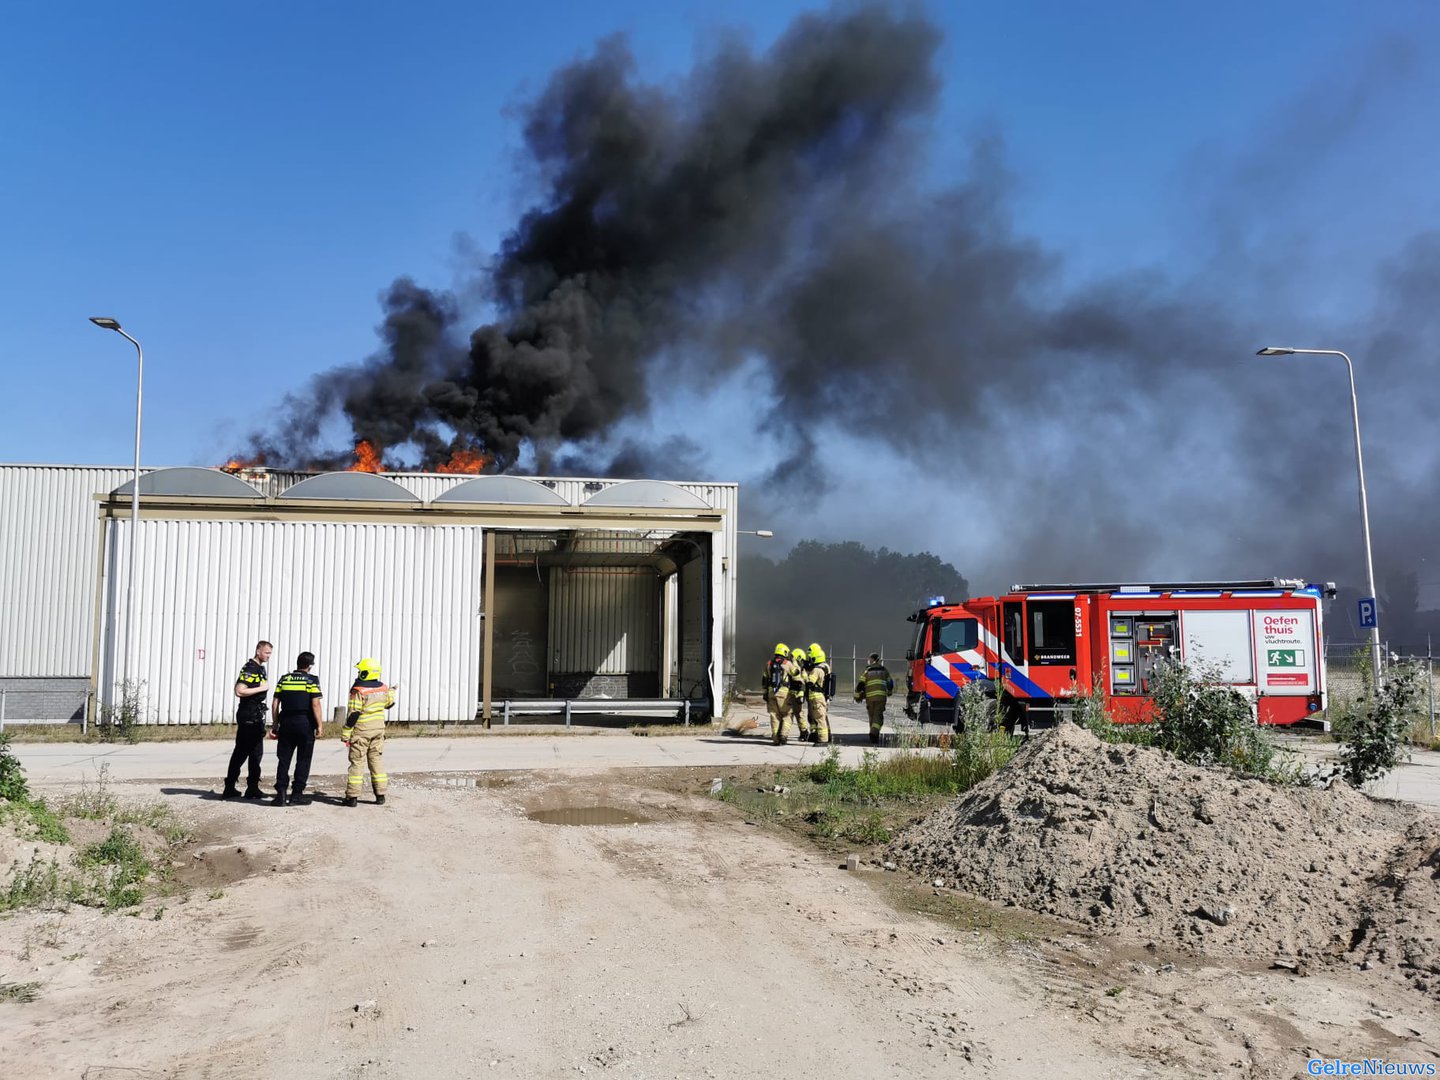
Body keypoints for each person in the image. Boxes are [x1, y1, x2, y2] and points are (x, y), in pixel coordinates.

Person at [270, 651, 323, 807]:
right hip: (305, 723)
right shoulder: (311, 680)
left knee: (284, 758)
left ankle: (280, 793)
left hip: (286, 722)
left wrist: (275, 724)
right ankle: (297, 795)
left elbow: (275, 703)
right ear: (310, 666)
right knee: (303, 759)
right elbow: (315, 704)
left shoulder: (284, 679)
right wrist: (319, 725)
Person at [342, 657, 395, 807]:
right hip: (378, 731)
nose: (358, 673)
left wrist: (346, 732)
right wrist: (391, 691)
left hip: (361, 732)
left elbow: (353, 713)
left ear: (366, 672)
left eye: (360, 671)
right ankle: (380, 795)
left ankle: (352, 797)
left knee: (357, 763)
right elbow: (389, 704)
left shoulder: (358, 690)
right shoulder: (383, 688)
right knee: (376, 761)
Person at [222, 641, 272, 799]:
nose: (268, 656)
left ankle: (252, 787)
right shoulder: (251, 668)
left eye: (270, 653)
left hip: (255, 714)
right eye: (266, 653)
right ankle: (230, 787)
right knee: (243, 751)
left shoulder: (259, 668)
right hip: (248, 714)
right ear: (258, 651)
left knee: (256, 752)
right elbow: (239, 691)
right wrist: (262, 688)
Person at [762, 644, 797, 746]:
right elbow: (796, 674)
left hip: (771, 693)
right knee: (788, 714)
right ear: (785, 653)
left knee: (774, 716)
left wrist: (765, 693)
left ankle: (775, 739)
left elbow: (764, 680)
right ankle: (783, 735)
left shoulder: (768, 664)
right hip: (784, 693)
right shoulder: (787, 663)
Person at [856, 653, 895, 745]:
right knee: (878, 715)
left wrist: (858, 695)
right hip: (881, 697)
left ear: (872, 659)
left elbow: (860, 685)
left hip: (870, 697)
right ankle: (874, 733)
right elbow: (890, 682)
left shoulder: (867, 670)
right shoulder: (883, 670)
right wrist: (889, 692)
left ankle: (873, 733)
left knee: (872, 715)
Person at [804, 643, 834, 746]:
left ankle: (823, 740)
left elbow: (809, 682)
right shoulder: (825, 667)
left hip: (817, 697)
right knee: (822, 717)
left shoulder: (816, 670)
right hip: (822, 697)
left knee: (820, 719)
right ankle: (826, 736)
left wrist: (807, 672)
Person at [787, 644, 811, 741]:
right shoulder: (801, 668)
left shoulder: (795, 666)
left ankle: (804, 732)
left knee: (797, 714)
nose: (791, 657)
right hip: (797, 694)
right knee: (798, 713)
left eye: (792, 656)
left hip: (795, 694)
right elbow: (805, 679)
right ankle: (804, 732)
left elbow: (800, 679)